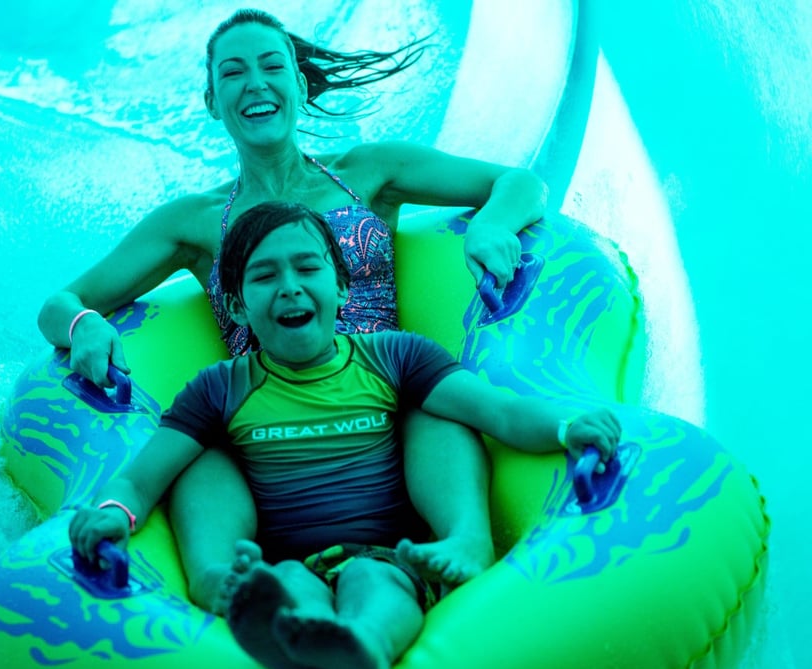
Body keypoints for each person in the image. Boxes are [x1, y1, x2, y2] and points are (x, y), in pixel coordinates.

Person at [39, 8, 549, 612]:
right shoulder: (197, 221)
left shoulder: (369, 172)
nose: (254, 82)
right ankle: (223, 585)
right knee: (202, 449)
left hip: (384, 402)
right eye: (233, 73)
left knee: (431, 401)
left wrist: (492, 225)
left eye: (271, 65)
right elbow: (59, 303)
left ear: (299, 85)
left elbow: (521, 183)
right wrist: (84, 323)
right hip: (271, 436)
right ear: (212, 100)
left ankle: (463, 542)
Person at [70, 202, 621, 669]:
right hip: (287, 560)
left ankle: (366, 645)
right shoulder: (220, 388)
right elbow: (143, 479)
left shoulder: (395, 356)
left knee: (378, 569)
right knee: (271, 559)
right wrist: (114, 513)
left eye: (308, 268)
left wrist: (568, 426)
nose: (290, 288)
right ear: (236, 304)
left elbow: (500, 413)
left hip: (393, 553)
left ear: (341, 283)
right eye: (264, 276)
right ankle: (294, 640)